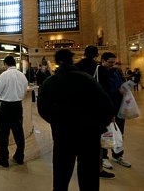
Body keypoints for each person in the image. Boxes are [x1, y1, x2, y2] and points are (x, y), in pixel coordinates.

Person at [38, 49, 113, 191]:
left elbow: (42, 109)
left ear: (57, 62)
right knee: (89, 175)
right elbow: (107, 106)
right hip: (89, 135)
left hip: (63, 135)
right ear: (72, 60)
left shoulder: (50, 82)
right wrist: (98, 126)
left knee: (61, 174)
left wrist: (56, 121)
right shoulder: (87, 79)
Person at [76, 45, 115, 179]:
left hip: (78, 111)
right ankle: (97, 169)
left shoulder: (76, 68)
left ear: (84, 54)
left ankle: (82, 167)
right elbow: (106, 93)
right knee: (97, 142)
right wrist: (110, 113)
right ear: (97, 55)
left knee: (81, 141)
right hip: (95, 111)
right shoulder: (100, 69)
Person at [98, 52, 132, 169]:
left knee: (119, 133)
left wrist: (125, 87)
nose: (112, 64)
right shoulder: (100, 72)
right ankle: (104, 157)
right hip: (108, 108)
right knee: (108, 133)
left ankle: (118, 155)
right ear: (103, 61)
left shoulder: (116, 72)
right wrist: (118, 91)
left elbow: (120, 84)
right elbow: (104, 91)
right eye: (110, 62)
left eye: (114, 62)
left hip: (119, 107)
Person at [0, 55, 28, 167]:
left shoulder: (4, 75)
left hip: (5, 107)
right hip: (18, 106)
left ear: (5, 64)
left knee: (3, 134)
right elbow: (24, 90)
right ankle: (20, 157)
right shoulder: (22, 75)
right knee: (19, 133)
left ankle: (4, 159)